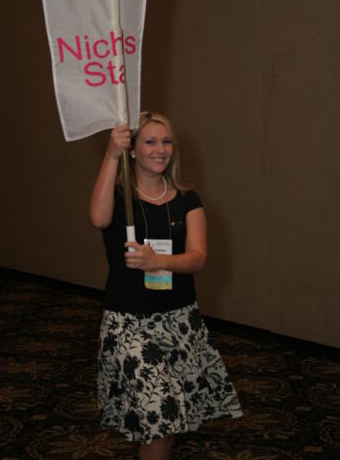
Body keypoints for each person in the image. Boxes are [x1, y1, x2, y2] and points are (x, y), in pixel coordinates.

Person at [89, 111, 242, 460]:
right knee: (163, 417)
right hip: (130, 325)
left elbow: (198, 258)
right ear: (132, 149)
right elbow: (97, 218)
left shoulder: (187, 200)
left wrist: (158, 261)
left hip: (179, 323)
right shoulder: (117, 196)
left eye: (166, 141)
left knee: (167, 425)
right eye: (149, 141)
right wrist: (111, 153)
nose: (160, 149)